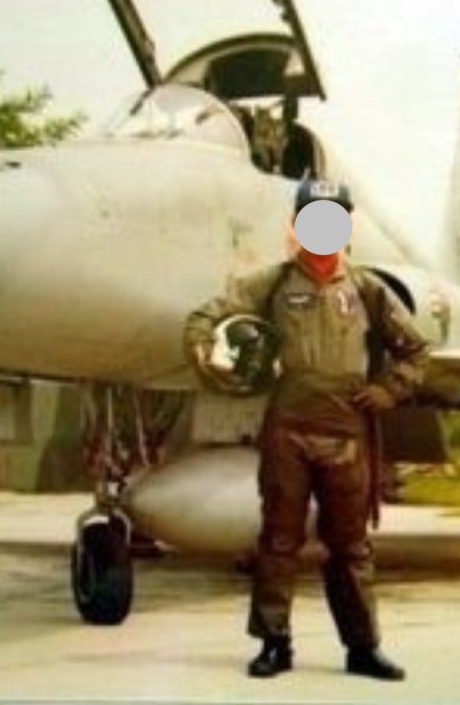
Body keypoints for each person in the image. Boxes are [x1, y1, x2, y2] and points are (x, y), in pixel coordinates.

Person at [183, 179, 429, 680]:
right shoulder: (271, 284)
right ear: (297, 226)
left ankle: (363, 648)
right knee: (278, 541)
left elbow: (416, 350)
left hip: (346, 435)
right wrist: (207, 356)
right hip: (288, 433)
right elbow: (205, 318)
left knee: (351, 546)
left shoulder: (367, 289)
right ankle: (274, 644)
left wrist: (389, 390)